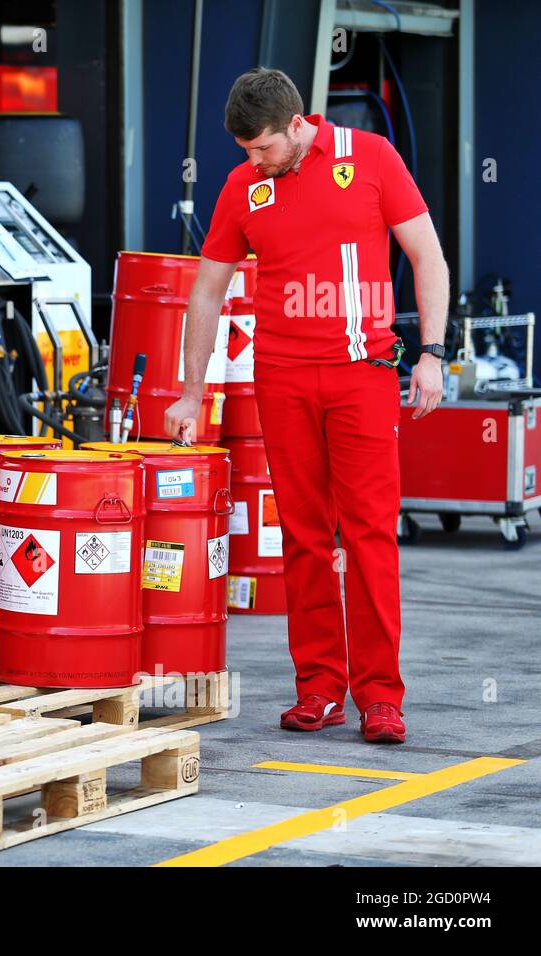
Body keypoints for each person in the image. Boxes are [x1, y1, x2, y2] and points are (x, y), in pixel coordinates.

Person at [165, 67, 448, 744]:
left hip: (363, 375)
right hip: (283, 382)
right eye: (243, 151)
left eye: (262, 147)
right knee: (303, 536)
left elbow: (428, 255)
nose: (252, 160)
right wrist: (190, 389)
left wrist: (434, 352)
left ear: (298, 125)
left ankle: (380, 696)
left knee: (372, 534)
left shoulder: (370, 158)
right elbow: (207, 292)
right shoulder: (243, 186)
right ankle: (318, 688)